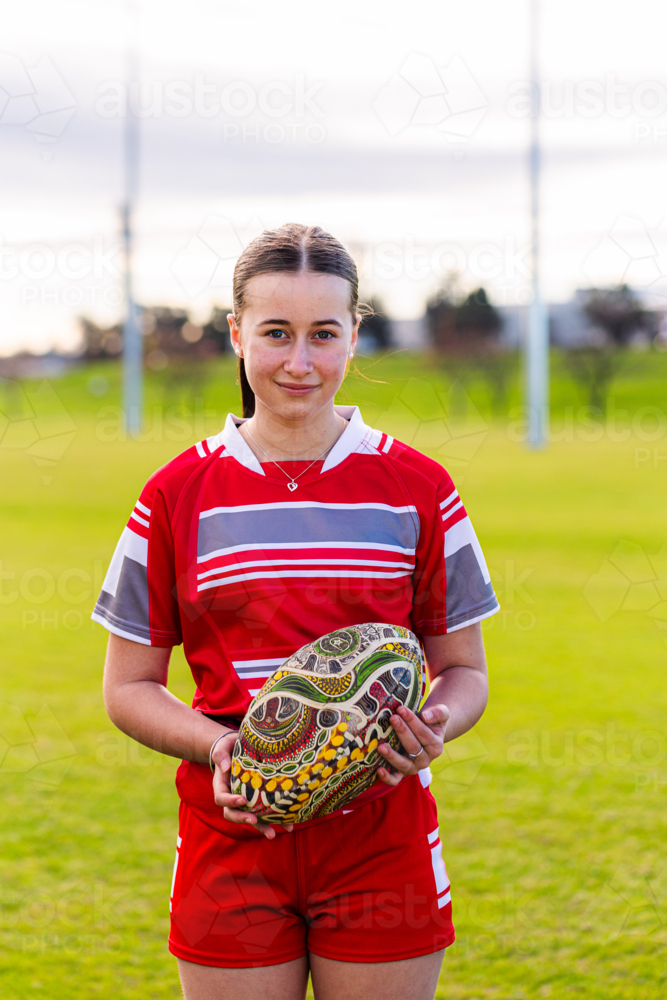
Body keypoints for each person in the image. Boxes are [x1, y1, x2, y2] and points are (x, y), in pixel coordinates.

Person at [95, 223, 499, 1000]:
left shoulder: (418, 488)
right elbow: (128, 688)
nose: (300, 362)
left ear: (355, 333)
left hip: (381, 838)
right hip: (230, 836)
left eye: (324, 333)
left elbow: (462, 670)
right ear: (236, 333)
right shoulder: (174, 495)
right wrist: (222, 752)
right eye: (276, 333)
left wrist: (434, 726)